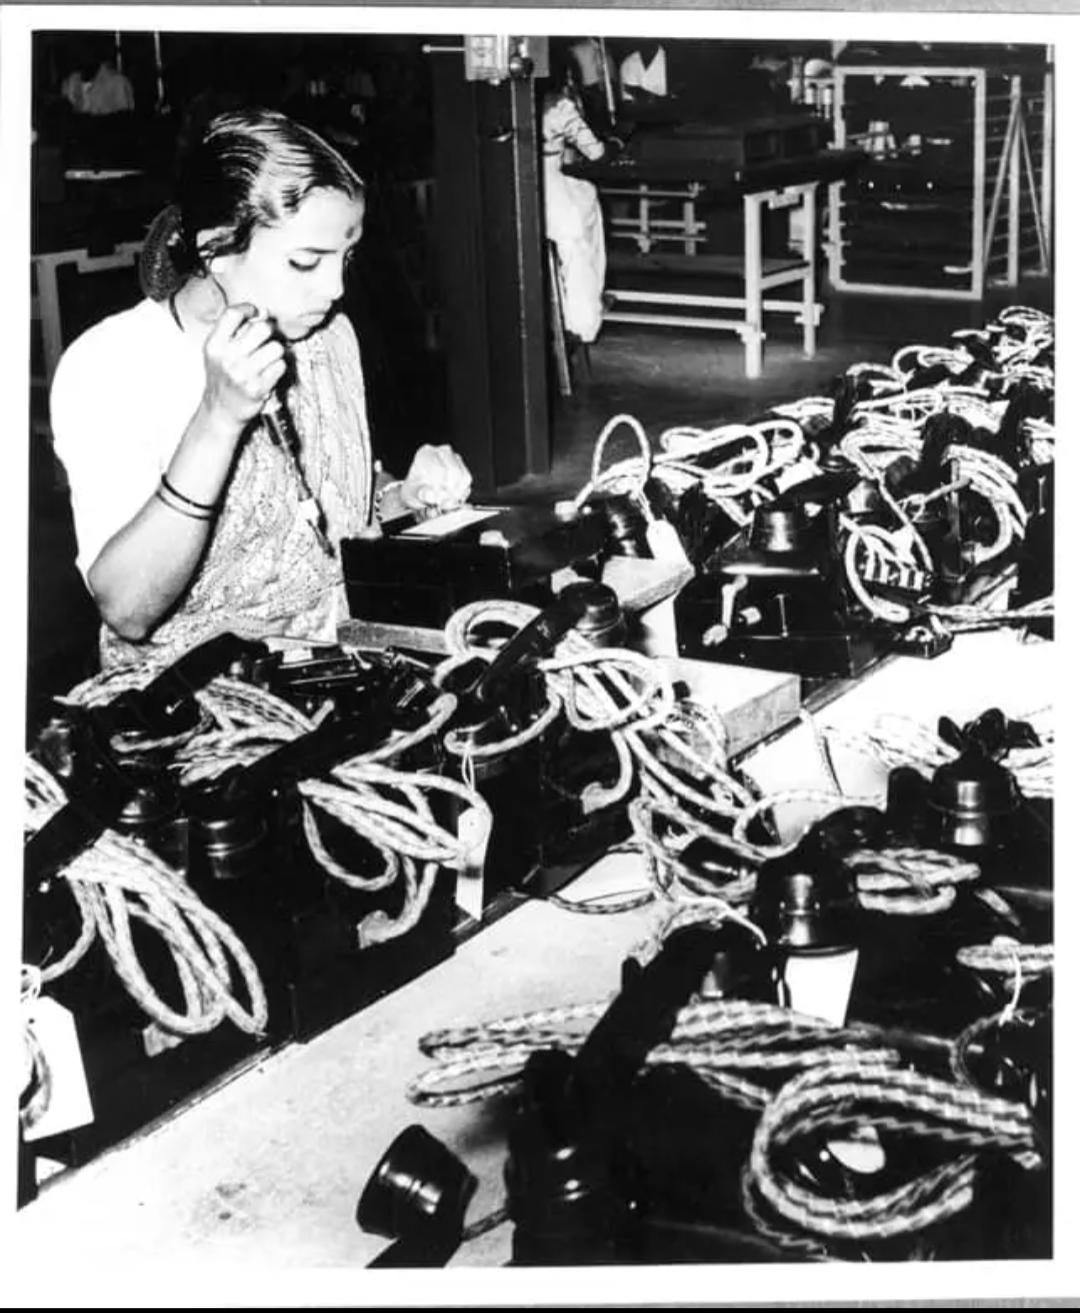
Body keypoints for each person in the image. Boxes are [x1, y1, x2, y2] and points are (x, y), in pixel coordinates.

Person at [50, 107, 472, 670]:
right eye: (305, 262)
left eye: (345, 258)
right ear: (217, 249)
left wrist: (403, 496)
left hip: (344, 662)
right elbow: (127, 609)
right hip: (196, 691)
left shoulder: (328, 336)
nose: (336, 288)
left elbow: (324, 511)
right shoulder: (113, 364)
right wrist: (218, 419)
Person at [541, 63, 617, 347]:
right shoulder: (560, 106)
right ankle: (584, 320)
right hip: (552, 195)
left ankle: (572, 308)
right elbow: (596, 153)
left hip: (520, 192)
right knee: (582, 231)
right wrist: (614, 145)